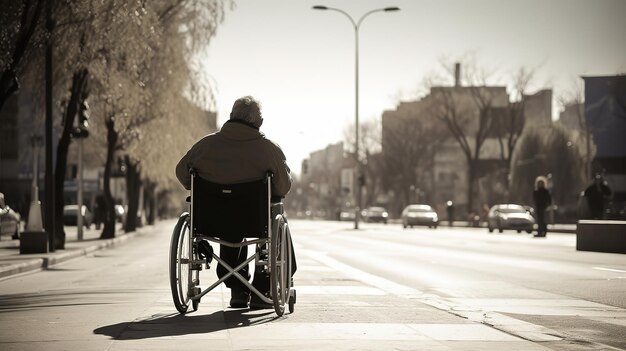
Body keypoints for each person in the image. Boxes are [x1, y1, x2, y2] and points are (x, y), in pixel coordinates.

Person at [176, 96, 295, 310]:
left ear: (231, 117)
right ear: (255, 121)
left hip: (211, 220)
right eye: (260, 117)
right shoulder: (268, 149)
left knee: (230, 223)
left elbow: (181, 172)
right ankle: (265, 282)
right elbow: (283, 188)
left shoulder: (204, 146)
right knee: (274, 211)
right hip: (255, 220)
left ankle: (237, 289)